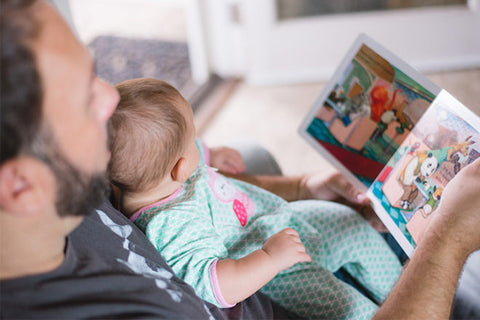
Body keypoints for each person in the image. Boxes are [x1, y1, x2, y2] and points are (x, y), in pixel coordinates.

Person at [1, 1, 479, 319]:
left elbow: (203, 188)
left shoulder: (82, 173)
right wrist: (450, 239)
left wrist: (302, 185)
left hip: (283, 229)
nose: (110, 96)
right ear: (20, 186)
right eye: (84, 100)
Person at [108, 77, 403, 319]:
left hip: (277, 218)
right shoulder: (171, 224)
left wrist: (211, 153)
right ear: (180, 167)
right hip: (278, 270)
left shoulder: (156, 176)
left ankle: (402, 291)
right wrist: (270, 258)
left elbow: (178, 151)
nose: (198, 143)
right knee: (352, 311)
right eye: (193, 139)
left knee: (349, 222)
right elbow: (217, 284)